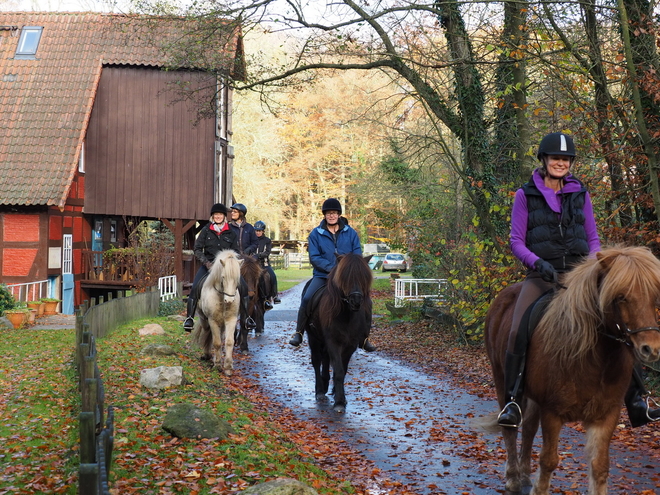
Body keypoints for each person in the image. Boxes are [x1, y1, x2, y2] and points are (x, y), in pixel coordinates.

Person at [498, 132, 660, 428]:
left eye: (565, 159)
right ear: (544, 160)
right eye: (555, 158)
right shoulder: (525, 195)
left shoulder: (580, 193)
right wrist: (538, 263)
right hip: (541, 275)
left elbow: (593, 238)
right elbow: (516, 242)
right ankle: (512, 401)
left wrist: (594, 268)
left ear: (570, 162)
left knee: (619, 322)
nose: (560, 163)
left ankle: (638, 398)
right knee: (518, 328)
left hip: (580, 275)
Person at [288, 198, 376, 352]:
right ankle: (299, 332)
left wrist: (346, 271)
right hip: (323, 276)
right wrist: (332, 269)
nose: (332, 216)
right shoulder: (316, 233)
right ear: (325, 215)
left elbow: (356, 255)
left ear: (339, 215)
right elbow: (314, 257)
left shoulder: (351, 233)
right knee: (308, 297)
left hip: (347, 278)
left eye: (334, 213)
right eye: (329, 213)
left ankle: (364, 338)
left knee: (366, 301)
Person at [183, 203, 256, 333]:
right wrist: (206, 262)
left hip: (226, 267)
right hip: (209, 266)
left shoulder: (231, 232)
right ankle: (189, 318)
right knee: (195, 287)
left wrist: (232, 263)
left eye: (220, 214)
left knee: (243, 286)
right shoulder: (206, 230)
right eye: (215, 214)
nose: (218, 216)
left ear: (224, 216)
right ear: (212, 216)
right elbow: (197, 249)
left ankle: (247, 318)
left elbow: (235, 250)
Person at [254, 220, 281, 308]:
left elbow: (267, 252)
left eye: (259, 231)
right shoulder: (252, 240)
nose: (257, 232)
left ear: (263, 231)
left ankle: (274, 296)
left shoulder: (267, 240)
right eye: (256, 231)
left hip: (264, 264)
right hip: (253, 264)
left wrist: (258, 256)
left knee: (272, 276)